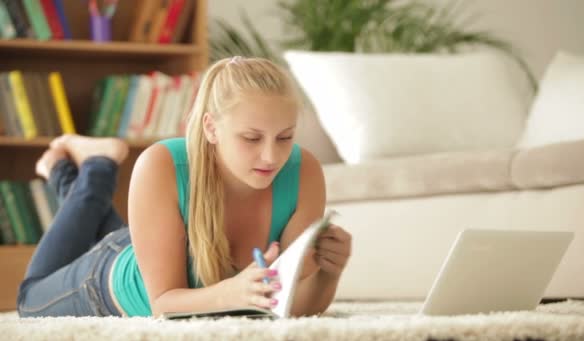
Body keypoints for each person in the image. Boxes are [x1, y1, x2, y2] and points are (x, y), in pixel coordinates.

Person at [17, 56, 352, 318]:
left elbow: (292, 308)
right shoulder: (162, 163)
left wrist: (328, 273)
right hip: (109, 278)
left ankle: (63, 169)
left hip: (154, 240)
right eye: (251, 138)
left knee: (101, 229)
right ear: (211, 128)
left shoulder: (303, 170)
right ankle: (96, 166)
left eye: (285, 137)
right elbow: (163, 303)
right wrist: (231, 293)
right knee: (29, 299)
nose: (271, 156)